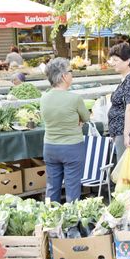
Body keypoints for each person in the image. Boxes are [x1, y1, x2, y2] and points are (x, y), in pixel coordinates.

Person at [40, 58, 90, 203]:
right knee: (72, 187)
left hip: (50, 147)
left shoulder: (44, 98)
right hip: (72, 148)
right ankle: (72, 224)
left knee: (52, 186)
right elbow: (86, 117)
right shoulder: (75, 99)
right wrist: (77, 121)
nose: (72, 74)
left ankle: (50, 219)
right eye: (70, 71)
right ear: (63, 76)